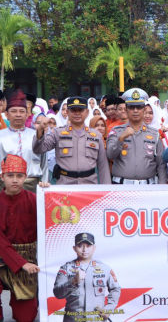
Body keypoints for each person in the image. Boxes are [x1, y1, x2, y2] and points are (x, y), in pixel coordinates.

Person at [0, 155, 41, 322]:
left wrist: (48, 193)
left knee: (26, 317)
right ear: (2, 177)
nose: (15, 180)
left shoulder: (35, 200)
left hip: (28, 259)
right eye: (10, 176)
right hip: (2, 256)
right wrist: (20, 263)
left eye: (19, 175)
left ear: (26, 177)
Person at [33, 96, 111, 184]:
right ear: (67, 112)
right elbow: (38, 149)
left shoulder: (96, 136)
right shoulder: (58, 133)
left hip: (89, 184)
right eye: (73, 110)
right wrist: (40, 130)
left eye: (80, 110)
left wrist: (106, 189)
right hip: (65, 184)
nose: (77, 113)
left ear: (87, 112)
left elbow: (103, 165)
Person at [53, 233, 121, 322]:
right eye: (80, 246)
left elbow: (115, 289)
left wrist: (109, 309)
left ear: (94, 248)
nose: (84, 249)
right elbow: (57, 293)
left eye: (88, 246)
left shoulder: (104, 268)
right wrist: (73, 281)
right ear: (74, 248)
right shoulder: (66, 268)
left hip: (96, 319)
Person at [107, 88, 167, 184]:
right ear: (126, 109)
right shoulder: (116, 131)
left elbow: (161, 164)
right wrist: (121, 138)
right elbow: (110, 155)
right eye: (131, 107)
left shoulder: (154, 134)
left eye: (139, 107)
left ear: (144, 110)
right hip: (121, 186)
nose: (135, 110)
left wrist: (162, 187)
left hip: (147, 187)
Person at [0, 90, 49, 192]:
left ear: (27, 114)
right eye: (14, 111)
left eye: (22, 111)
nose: (18, 115)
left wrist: (45, 183)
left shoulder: (36, 135)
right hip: (5, 186)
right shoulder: (1, 136)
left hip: (32, 185)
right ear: (7, 115)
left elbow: (44, 163)